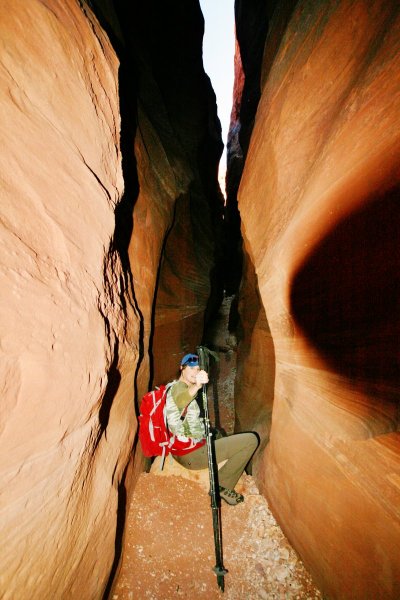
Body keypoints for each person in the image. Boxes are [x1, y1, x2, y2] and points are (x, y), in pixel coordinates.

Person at [166, 352, 259, 505]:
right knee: (250, 440)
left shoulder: (180, 387)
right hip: (191, 454)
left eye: (198, 368)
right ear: (181, 368)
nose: (195, 371)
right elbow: (181, 399)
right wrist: (197, 385)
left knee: (217, 433)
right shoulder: (177, 388)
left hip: (183, 450)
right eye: (191, 367)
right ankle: (221, 486)